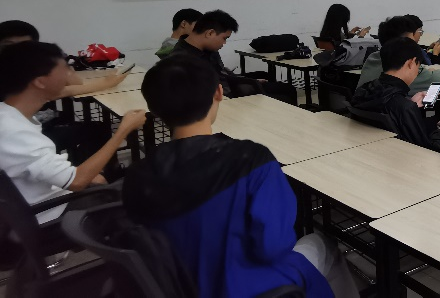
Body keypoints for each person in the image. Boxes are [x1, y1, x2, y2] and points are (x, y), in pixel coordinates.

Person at [123, 54, 357, 297]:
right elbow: (274, 247)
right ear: (218, 93)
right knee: (322, 244)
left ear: (153, 108)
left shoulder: (137, 175)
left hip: (180, 287)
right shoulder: (253, 160)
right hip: (251, 288)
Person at [0, 41, 146, 223]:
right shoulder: (17, 134)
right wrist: (122, 131)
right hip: (53, 213)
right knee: (143, 188)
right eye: (64, 69)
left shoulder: (9, 115)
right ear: (40, 82)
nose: (70, 74)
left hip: (46, 198)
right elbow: (77, 182)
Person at [170, 9, 297, 105]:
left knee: (288, 89)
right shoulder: (182, 59)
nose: (224, 43)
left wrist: (251, 82)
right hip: (225, 101)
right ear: (210, 33)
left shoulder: (207, 49)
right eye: (224, 38)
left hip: (230, 90)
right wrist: (250, 89)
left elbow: (221, 75)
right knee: (283, 100)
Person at [0, 20, 128, 98]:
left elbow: (75, 82)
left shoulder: (31, 65)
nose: (15, 51)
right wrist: (105, 84)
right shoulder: (7, 73)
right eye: (8, 46)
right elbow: (60, 92)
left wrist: (59, 63)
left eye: (24, 46)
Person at [350, 38, 438, 149]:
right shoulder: (404, 107)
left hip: (371, 150)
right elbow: (424, 149)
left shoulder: (363, 90)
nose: (417, 71)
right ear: (411, 63)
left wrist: (410, 103)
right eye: (418, 66)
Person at [356, 16, 440, 95]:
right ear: (401, 43)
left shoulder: (372, 58)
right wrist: (432, 70)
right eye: (410, 40)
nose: (413, 44)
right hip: (393, 112)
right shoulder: (405, 68)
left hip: (364, 110)